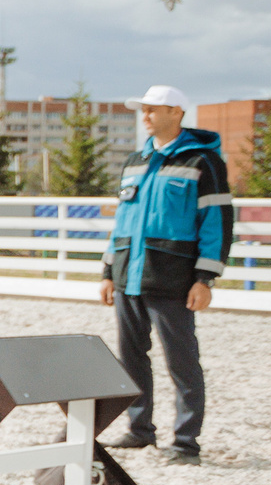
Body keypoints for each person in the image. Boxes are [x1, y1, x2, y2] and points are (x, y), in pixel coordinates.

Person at [99, 86, 231, 462]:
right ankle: (140, 430)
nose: (145, 117)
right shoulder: (135, 162)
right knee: (131, 358)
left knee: (182, 361)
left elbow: (216, 223)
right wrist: (109, 271)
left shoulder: (203, 162)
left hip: (173, 279)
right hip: (129, 277)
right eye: (142, 110)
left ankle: (186, 442)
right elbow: (122, 221)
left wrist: (205, 279)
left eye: (152, 110)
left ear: (176, 112)